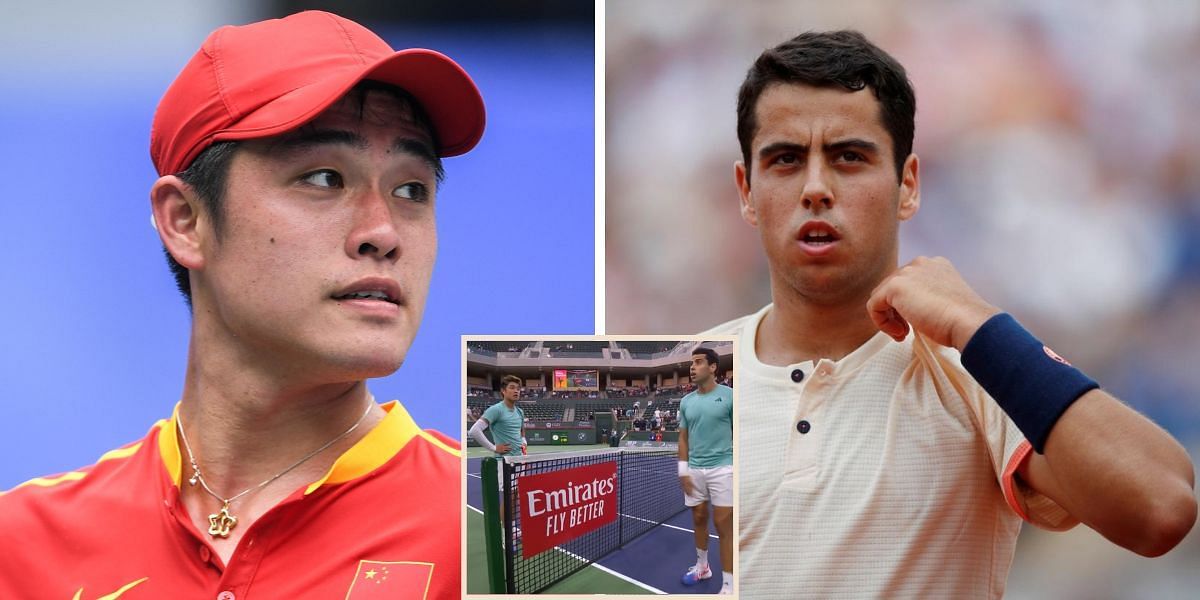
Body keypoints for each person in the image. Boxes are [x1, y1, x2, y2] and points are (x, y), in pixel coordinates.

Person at [0, 10, 484, 598]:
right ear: (186, 221)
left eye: (412, 190)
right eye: (325, 178)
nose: (383, 233)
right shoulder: (20, 545)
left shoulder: (498, 531)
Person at [704, 30, 1197, 597]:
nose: (816, 188)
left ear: (907, 185)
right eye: (786, 160)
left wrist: (978, 324)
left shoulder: (976, 372)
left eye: (849, 157)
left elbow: (1163, 505)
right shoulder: (667, 382)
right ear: (747, 191)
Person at [678, 347, 735, 595]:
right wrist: (683, 471)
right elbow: (683, 439)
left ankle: (730, 584)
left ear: (713, 367)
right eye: (692, 363)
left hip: (724, 468)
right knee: (699, 518)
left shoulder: (730, 396)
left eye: (699, 362)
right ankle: (703, 567)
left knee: (724, 525)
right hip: (694, 470)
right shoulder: (686, 402)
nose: (692, 367)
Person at [469, 374, 527, 537]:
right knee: (509, 497)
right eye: (512, 388)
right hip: (505, 462)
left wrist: (523, 441)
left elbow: (521, 430)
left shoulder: (520, 412)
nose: (516, 391)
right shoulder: (496, 410)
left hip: (519, 460)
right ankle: (504, 533)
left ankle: (511, 527)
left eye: (518, 388)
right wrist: (494, 447)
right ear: (503, 391)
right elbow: (474, 431)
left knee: (515, 497)